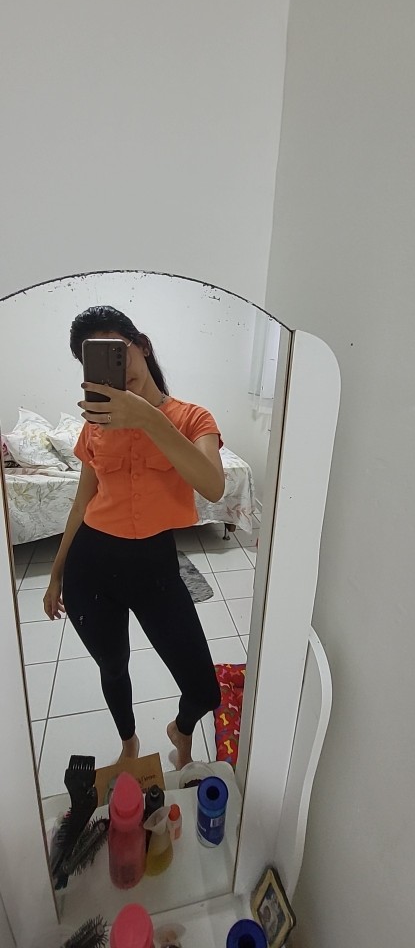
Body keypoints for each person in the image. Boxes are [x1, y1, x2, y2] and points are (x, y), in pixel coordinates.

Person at [43, 306, 224, 768]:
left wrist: (148, 419)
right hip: (91, 566)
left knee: (204, 689)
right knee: (113, 666)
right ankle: (128, 744)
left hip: (155, 567)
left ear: (141, 345)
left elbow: (213, 485)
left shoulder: (192, 418)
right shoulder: (95, 426)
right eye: (97, 362)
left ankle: (180, 728)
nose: (118, 369)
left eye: (119, 352)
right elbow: (81, 504)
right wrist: (56, 573)